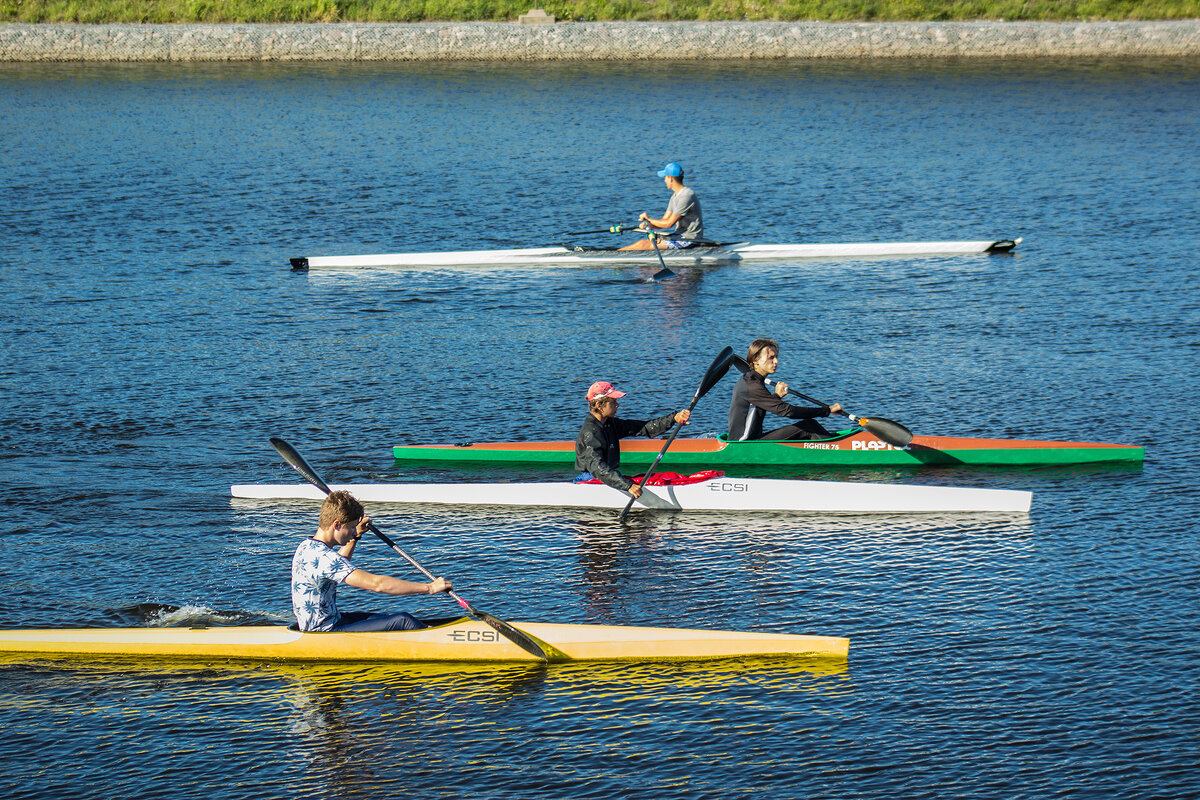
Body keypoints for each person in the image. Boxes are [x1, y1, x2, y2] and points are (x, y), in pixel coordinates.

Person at [291, 490, 452, 632]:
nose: (354, 532)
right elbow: (377, 584)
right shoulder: (325, 557)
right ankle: (441, 642)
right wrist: (430, 588)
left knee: (383, 618)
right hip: (324, 630)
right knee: (403, 620)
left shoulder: (306, 546)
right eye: (352, 527)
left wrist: (356, 538)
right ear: (337, 524)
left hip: (327, 620)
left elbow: (337, 566)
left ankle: (430, 631)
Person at [574, 380, 691, 499]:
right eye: (613, 402)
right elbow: (596, 467)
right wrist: (628, 486)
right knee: (631, 482)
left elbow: (644, 428)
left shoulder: (609, 424)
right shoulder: (591, 432)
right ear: (599, 405)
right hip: (591, 479)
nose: (617, 405)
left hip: (606, 475)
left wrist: (674, 418)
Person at [728, 338, 845, 441]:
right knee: (810, 426)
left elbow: (758, 406)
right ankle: (840, 451)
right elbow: (788, 412)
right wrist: (826, 410)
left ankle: (828, 445)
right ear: (755, 361)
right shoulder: (753, 386)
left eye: (776, 357)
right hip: (745, 443)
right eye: (771, 358)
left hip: (752, 438)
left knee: (810, 427)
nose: (776, 361)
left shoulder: (749, 380)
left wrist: (776, 396)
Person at [619, 162, 703, 251]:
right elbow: (664, 221)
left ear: (670, 178)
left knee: (643, 244)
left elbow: (669, 224)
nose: (664, 180)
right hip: (679, 236)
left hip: (690, 239)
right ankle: (618, 253)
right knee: (643, 243)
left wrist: (649, 219)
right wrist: (649, 224)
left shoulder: (687, 195)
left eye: (665, 177)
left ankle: (617, 255)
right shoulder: (675, 196)